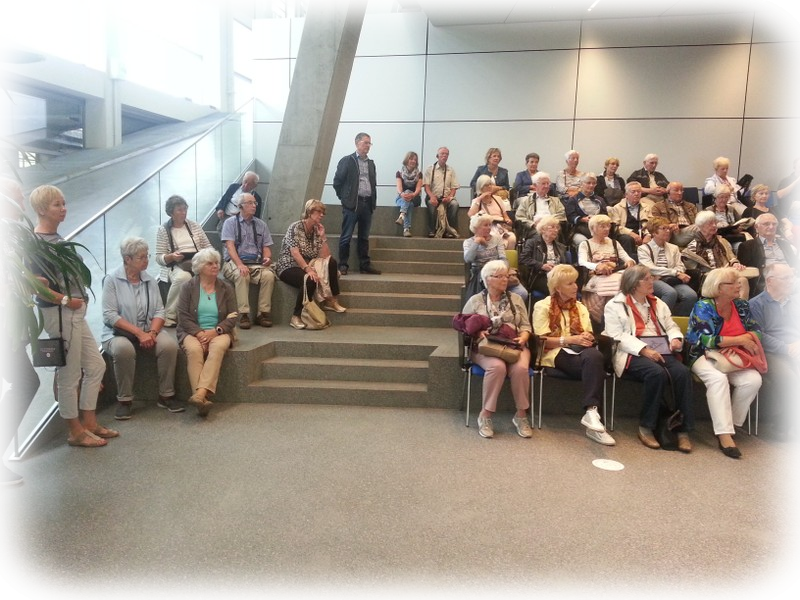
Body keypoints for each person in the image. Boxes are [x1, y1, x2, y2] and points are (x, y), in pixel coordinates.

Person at [30, 185, 111, 447]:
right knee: (69, 374)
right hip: (61, 312)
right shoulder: (37, 243)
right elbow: (35, 284)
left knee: (96, 366)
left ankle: (89, 422)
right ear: (42, 209)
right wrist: (65, 300)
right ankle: (75, 431)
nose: (63, 209)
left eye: (63, 203)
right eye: (57, 204)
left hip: (74, 312)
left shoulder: (57, 238)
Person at [603, 265, 694, 451]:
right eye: (647, 278)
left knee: (683, 373)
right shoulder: (614, 305)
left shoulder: (658, 303)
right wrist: (643, 349)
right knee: (656, 373)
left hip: (661, 349)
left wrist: (675, 339)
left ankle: (683, 430)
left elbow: (671, 326)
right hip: (631, 351)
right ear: (634, 284)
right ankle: (647, 427)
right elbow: (616, 335)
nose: (652, 281)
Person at [532, 264, 615, 446]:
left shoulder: (580, 307)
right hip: (553, 353)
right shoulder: (542, 306)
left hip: (581, 353)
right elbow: (542, 340)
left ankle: (591, 413)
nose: (576, 286)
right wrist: (571, 340)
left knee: (594, 357)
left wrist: (586, 337)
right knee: (595, 366)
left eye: (575, 282)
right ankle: (594, 419)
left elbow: (588, 333)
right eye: (570, 283)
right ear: (557, 287)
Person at [686, 267, 763, 459]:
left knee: (753, 380)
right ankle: (724, 434)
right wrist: (739, 340)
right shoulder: (703, 306)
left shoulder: (741, 306)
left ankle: (731, 424)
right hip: (703, 354)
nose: (739, 285)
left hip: (735, 354)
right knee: (718, 379)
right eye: (733, 283)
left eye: (738, 282)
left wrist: (740, 341)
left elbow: (757, 330)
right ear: (718, 287)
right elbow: (705, 339)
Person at [102, 237, 180, 420]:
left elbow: (160, 311)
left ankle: (166, 395)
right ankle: (125, 400)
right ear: (127, 259)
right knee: (123, 349)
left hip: (147, 330)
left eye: (147, 256)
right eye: (141, 257)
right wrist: (138, 333)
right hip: (118, 333)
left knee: (169, 346)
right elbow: (110, 315)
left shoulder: (149, 280)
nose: (146, 260)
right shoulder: (112, 280)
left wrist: (151, 333)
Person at [461, 260, 533, 439]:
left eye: (506, 276)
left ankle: (521, 415)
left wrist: (523, 337)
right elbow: (464, 326)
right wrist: (478, 332)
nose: (505, 279)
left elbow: (526, 326)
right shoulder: (476, 300)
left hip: (513, 344)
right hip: (486, 347)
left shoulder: (516, 299)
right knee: (497, 367)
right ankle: (485, 415)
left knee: (521, 368)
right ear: (487, 279)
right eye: (499, 276)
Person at [0, 179, 40, 483]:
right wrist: (22, 287)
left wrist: (32, 283)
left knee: (27, 382)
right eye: (17, 200)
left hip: (10, 322)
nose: (22, 206)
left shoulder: (11, 235)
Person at [176, 248, 237, 418]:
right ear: (200, 267)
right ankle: (202, 399)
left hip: (219, 332)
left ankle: (199, 395)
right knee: (194, 350)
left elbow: (233, 315)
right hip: (191, 331)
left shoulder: (226, 287)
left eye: (216, 262)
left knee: (217, 348)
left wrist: (216, 331)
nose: (215, 266)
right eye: (210, 263)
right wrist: (199, 333)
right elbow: (183, 316)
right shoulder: (187, 287)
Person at [748, 263, 800, 441]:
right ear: (770, 281)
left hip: (798, 348)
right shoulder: (755, 305)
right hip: (772, 352)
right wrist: (787, 348)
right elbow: (758, 335)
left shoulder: (797, 301)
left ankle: (782, 421)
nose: (791, 281)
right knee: (785, 378)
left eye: (792, 277)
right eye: (786, 278)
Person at [276, 200, 346, 330]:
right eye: (319, 212)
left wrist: (323, 237)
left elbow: (325, 256)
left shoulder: (316, 230)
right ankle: (296, 316)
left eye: (323, 212)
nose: (322, 215)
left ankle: (332, 300)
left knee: (331, 262)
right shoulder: (295, 227)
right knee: (310, 279)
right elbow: (295, 253)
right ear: (309, 212)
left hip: (308, 264)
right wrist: (308, 270)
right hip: (289, 265)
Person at [220, 192, 276, 329]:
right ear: (240, 206)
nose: (254, 206)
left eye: (255, 203)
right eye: (250, 203)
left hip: (256, 262)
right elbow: (230, 247)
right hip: (234, 261)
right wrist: (239, 264)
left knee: (269, 275)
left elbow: (266, 247)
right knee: (242, 274)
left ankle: (263, 313)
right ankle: (244, 314)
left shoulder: (261, 224)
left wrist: (267, 258)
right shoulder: (230, 223)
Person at [155, 195, 212, 327]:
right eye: (179, 210)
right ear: (171, 213)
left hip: (198, 261)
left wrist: (204, 256)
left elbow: (208, 246)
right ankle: (169, 315)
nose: (183, 212)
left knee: (210, 273)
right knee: (183, 277)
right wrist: (172, 256)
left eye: (185, 209)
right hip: (175, 265)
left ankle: (207, 315)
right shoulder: (164, 230)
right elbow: (159, 258)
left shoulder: (194, 226)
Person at [333, 132, 380, 275]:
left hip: (367, 203)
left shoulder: (371, 164)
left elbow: (373, 183)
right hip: (352, 204)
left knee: (364, 237)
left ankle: (364, 265)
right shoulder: (347, 160)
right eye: (366, 142)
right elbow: (337, 182)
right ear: (357, 143)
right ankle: (343, 265)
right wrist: (345, 199)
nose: (368, 146)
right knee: (346, 236)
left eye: (369, 143)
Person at [683, 211, 757, 299]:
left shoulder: (722, 241)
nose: (714, 226)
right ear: (701, 226)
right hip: (707, 278)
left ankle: (739, 306)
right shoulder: (692, 247)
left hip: (726, 273)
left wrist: (735, 263)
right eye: (710, 223)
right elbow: (693, 272)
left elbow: (731, 257)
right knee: (738, 281)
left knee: (742, 280)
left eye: (715, 222)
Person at [578, 214, 636, 324]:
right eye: (602, 226)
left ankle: (620, 317)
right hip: (596, 276)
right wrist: (596, 266)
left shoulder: (614, 243)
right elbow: (582, 262)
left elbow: (628, 258)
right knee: (619, 283)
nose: (607, 229)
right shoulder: (585, 244)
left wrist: (630, 261)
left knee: (625, 280)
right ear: (593, 228)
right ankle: (609, 319)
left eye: (608, 226)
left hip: (615, 274)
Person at [638, 217, 697, 316]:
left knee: (691, 296)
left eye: (668, 228)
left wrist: (676, 273)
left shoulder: (674, 248)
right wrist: (675, 273)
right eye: (664, 228)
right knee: (670, 293)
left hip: (671, 279)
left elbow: (680, 266)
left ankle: (676, 319)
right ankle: (659, 320)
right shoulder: (643, 249)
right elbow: (650, 268)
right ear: (654, 232)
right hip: (653, 279)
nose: (668, 231)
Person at [463, 215, 527, 302]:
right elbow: (468, 259)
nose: (489, 228)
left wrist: (502, 269)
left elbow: (503, 258)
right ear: (476, 228)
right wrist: (477, 242)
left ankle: (504, 307)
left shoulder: (497, 239)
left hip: (498, 270)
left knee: (522, 293)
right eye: (486, 225)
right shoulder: (468, 242)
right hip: (480, 275)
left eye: (490, 225)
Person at [737, 212, 800, 296]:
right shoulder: (747, 246)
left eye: (774, 224)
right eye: (766, 224)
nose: (771, 227)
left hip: (790, 278)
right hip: (767, 281)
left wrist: (794, 269)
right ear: (756, 227)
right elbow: (747, 269)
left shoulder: (784, 244)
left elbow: (797, 263)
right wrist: (775, 273)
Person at [519, 215, 569, 299]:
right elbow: (523, 259)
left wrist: (559, 268)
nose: (556, 230)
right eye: (552, 227)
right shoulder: (532, 243)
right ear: (543, 229)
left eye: (557, 227)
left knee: (570, 287)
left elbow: (566, 264)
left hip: (557, 275)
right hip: (539, 276)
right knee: (558, 289)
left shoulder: (561, 247)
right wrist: (541, 265)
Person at [514, 172, 567, 241]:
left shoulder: (556, 201)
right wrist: (532, 224)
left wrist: (548, 222)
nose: (546, 186)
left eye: (548, 183)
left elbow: (561, 215)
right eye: (543, 184)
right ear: (535, 186)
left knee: (551, 233)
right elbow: (519, 217)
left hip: (552, 227)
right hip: (534, 228)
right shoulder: (526, 201)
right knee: (541, 234)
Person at [468, 174, 516, 249]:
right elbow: (471, 215)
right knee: (494, 236)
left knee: (512, 238)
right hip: (487, 228)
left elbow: (505, 216)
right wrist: (480, 198)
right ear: (481, 188)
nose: (489, 187)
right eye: (486, 185)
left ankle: (506, 255)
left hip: (500, 226)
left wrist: (508, 220)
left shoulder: (498, 199)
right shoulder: (477, 201)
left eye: (490, 184)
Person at [423, 146, 459, 238]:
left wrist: (449, 197)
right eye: (442, 153)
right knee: (431, 204)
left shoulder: (451, 170)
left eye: (446, 154)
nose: (444, 155)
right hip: (433, 197)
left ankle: (450, 230)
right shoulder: (430, 169)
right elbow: (426, 186)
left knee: (454, 204)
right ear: (437, 155)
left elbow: (454, 187)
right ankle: (431, 230)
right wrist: (432, 197)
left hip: (446, 197)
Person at [650, 181, 698, 247]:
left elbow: (698, 220)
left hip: (691, 231)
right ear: (668, 192)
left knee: (705, 224)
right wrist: (668, 226)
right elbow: (654, 225)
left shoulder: (691, 206)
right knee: (700, 227)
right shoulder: (658, 206)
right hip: (673, 235)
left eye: (681, 190)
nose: (680, 193)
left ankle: (693, 246)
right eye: (676, 190)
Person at [607, 181, 652, 250]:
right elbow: (616, 227)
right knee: (627, 239)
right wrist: (631, 233)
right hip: (625, 234)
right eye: (633, 192)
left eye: (638, 191)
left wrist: (648, 235)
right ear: (626, 195)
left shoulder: (647, 207)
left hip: (642, 232)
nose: (636, 194)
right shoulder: (617, 208)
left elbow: (651, 224)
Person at [705, 184, 751, 249]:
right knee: (727, 246)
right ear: (716, 197)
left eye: (726, 197)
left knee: (740, 246)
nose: (724, 200)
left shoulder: (731, 208)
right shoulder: (709, 210)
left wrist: (740, 227)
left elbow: (739, 221)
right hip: (717, 237)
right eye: (721, 197)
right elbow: (706, 228)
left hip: (732, 236)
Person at [395, 151, 422, 238]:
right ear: (407, 160)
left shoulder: (419, 174)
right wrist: (403, 194)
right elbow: (399, 188)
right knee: (408, 204)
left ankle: (402, 215)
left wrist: (412, 195)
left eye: (415, 159)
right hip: (401, 198)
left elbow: (418, 189)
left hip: (415, 198)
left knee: (409, 194)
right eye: (411, 159)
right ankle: (406, 229)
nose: (413, 161)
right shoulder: (399, 173)